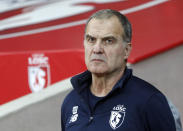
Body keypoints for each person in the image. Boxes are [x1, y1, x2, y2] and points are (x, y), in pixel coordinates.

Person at [61, 9, 182, 131]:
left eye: (108, 41)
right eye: (91, 40)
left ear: (126, 50)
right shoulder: (71, 101)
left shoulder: (149, 101)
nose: (97, 49)